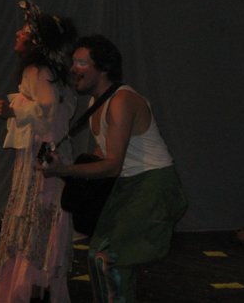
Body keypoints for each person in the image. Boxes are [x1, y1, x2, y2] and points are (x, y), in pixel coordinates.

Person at [40, 34, 188, 302]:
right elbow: (104, 155)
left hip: (153, 185)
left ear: (103, 67)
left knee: (107, 258)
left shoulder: (122, 100)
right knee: (98, 257)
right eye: (73, 62)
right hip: (129, 185)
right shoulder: (96, 103)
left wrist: (65, 170)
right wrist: (64, 166)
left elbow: (112, 165)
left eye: (81, 63)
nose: (73, 69)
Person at [0, 1, 77, 303]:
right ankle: (37, 285)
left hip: (42, 155)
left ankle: (29, 288)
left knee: (37, 216)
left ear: (36, 41)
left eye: (24, 31)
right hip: (49, 151)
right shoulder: (51, 72)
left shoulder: (38, 70)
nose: (18, 33)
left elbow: (49, 108)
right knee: (41, 216)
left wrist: (14, 109)